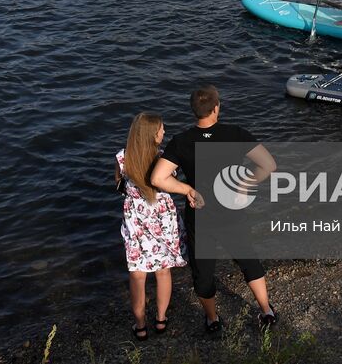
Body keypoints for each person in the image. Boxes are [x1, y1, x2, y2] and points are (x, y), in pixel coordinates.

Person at [151, 85, 278, 333]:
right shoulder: (235, 134)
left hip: (201, 217)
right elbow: (268, 165)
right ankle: (266, 311)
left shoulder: (182, 141)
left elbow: (158, 178)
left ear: (193, 111)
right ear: (217, 107)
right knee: (248, 260)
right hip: (232, 212)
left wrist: (188, 190)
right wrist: (244, 184)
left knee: (203, 272)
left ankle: (212, 320)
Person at [115, 112, 186, 342]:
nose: (164, 132)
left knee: (137, 276)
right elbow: (170, 181)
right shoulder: (163, 159)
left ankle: (140, 326)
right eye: (161, 130)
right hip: (162, 221)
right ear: (152, 136)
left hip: (136, 222)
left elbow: (119, 185)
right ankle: (161, 319)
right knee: (163, 272)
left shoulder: (123, 158)